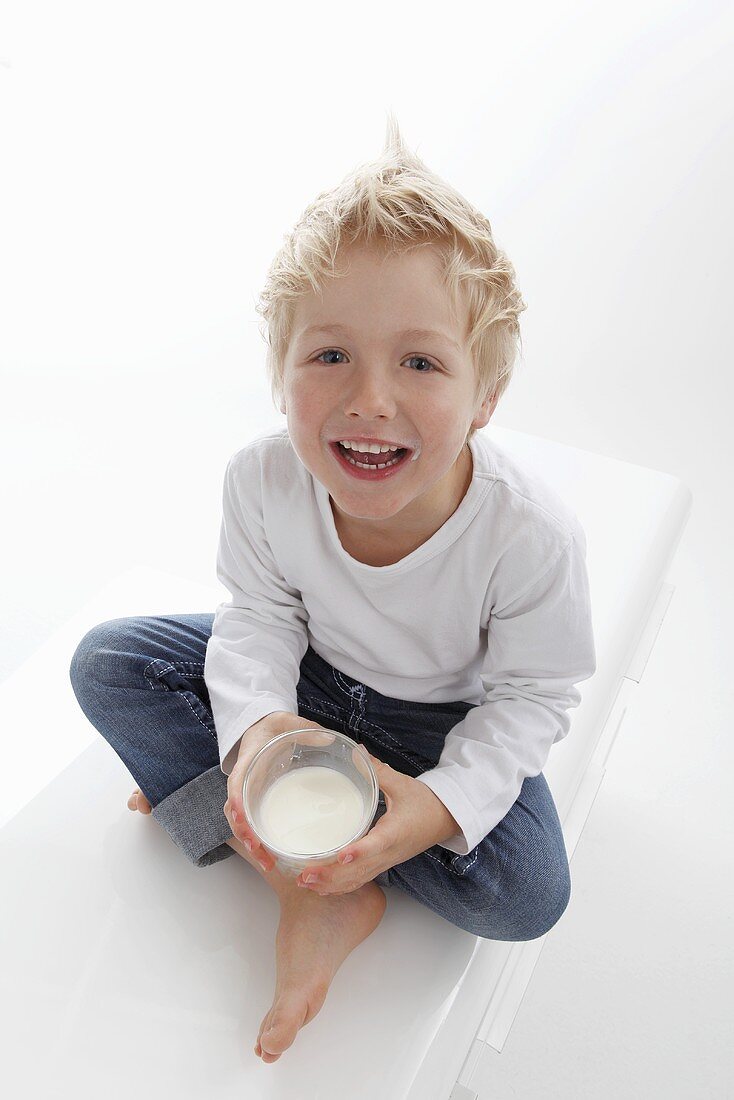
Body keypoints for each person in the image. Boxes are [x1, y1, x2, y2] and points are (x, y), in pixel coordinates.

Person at [69, 113, 596, 1065]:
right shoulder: (262, 481)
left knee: (527, 895)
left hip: (437, 727)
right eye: (330, 355)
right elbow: (259, 620)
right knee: (110, 663)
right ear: (281, 372)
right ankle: (315, 882)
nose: (370, 399)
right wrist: (260, 731)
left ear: (485, 397)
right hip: (312, 688)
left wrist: (436, 808)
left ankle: (335, 831)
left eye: (421, 362)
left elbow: (533, 697)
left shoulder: (530, 535)